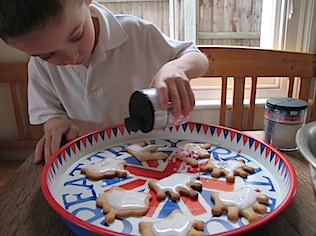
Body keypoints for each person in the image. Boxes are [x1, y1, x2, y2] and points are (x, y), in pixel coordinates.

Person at [0, 0, 209, 164]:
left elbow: (197, 58)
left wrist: (175, 68)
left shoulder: (136, 33)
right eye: (48, 55)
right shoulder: (38, 66)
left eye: (76, 36)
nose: (72, 57)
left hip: (159, 156)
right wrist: (56, 125)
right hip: (92, 164)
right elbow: (50, 115)